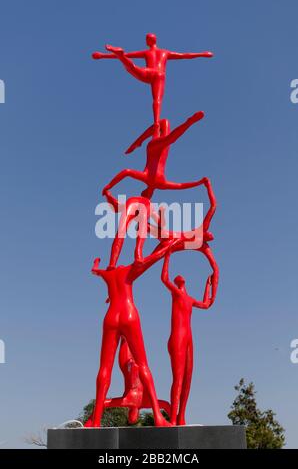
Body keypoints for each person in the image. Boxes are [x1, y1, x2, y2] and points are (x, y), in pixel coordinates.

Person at [86, 237, 179, 427]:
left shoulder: (108, 274)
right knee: (143, 364)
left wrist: (97, 264)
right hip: (129, 315)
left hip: (111, 317)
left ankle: (95, 421)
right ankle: (158, 416)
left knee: (104, 369)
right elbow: (153, 258)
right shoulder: (127, 270)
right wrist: (171, 244)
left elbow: (95, 271)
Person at [93, 33, 213, 135]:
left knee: (132, 68)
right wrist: (203, 54)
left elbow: (129, 54)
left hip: (149, 72)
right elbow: (185, 55)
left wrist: (103, 56)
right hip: (159, 75)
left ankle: (120, 55)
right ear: (156, 41)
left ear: (147, 42)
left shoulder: (146, 52)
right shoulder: (165, 52)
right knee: (157, 99)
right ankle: (156, 122)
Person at [161, 248, 218, 425]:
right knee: (178, 378)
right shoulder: (176, 294)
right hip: (177, 338)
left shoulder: (189, 299)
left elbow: (207, 304)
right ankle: (174, 418)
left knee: (188, 377)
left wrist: (208, 285)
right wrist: (167, 255)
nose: (180, 277)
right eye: (177, 278)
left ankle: (182, 416)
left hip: (188, 339)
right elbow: (164, 278)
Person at [102, 111, 206, 200]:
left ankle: (189, 122)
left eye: (148, 196)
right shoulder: (161, 184)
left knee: (169, 137)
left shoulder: (147, 178)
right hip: (163, 150)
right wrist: (198, 182)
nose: (150, 195)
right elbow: (180, 186)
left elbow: (126, 172)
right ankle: (139, 141)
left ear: (146, 192)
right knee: (164, 123)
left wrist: (109, 185)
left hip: (153, 149)